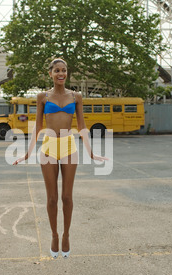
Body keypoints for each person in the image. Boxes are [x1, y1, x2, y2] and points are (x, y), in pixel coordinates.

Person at [13, 58, 108, 259]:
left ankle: (66, 235)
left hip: (69, 146)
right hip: (48, 147)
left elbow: (82, 126)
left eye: (64, 70)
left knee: (67, 197)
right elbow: (38, 127)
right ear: (50, 73)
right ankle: (54, 236)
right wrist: (27, 153)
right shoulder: (42, 97)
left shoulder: (76, 96)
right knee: (52, 198)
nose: (61, 73)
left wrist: (91, 152)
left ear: (67, 73)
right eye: (57, 70)